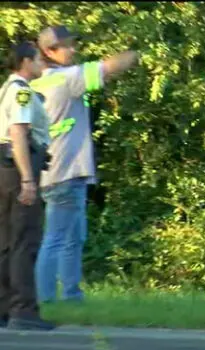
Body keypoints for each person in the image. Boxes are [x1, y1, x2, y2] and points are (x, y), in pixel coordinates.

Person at [32, 25, 138, 303]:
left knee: (72, 238)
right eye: (66, 46)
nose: (73, 49)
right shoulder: (66, 78)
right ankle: (46, 299)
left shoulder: (37, 83)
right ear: (49, 51)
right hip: (66, 172)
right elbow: (109, 67)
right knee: (56, 238)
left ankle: (70, 296)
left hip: (56, 172)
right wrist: (138, 52)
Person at [0, 41, 55, 330]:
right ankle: (23, 310)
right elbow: (18, 133)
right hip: (18, 168)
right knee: (24, 240)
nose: (42, 64)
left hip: (4, 170)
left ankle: (5, 307)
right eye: (37, 59)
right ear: (25, 62)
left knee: (7, 241)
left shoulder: (7, 89)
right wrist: (28, 179)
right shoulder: (21, 92)